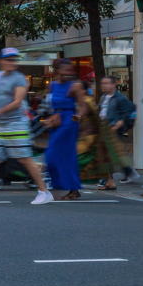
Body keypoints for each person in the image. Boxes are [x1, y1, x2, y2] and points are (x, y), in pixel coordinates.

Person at [0, 48, 52, 205]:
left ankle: (44, 192)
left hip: (16, 124)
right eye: (9, 59)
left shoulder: (19, 79)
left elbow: (17, 102)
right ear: (1, 61)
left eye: (15, 59)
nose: (13, 62)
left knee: (24, 158)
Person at [43, 59, 86, 201]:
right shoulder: (51, 85)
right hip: (56, 121)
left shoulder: (75, 86)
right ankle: (70, 187)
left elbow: (83, 105)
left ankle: (73, 189)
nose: (68, 73)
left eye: (70, 70)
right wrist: (49, 118)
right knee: (53, 155)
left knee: (58, 154)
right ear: (57, 70)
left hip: (69, 121)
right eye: (65, 70)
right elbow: (49, 104)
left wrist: (79, 116)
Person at [97, 76, 138, 189]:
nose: (103, 86)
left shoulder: (120, 98)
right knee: (111, 154)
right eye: (102, 83)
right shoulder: (104, 97)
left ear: (113, 85)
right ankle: (128, 171)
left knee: (108, 155)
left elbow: (125, 115)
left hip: (113, 129)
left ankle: (106, 180)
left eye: (106, 83)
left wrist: (116, 126)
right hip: (104, 129)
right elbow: (100, 111)